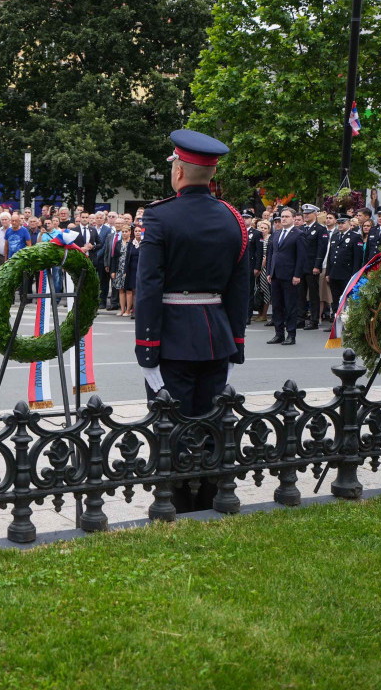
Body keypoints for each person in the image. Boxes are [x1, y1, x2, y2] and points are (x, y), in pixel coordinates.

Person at [135, 129, 248, 512]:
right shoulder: (234, 219)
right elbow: (239, 287)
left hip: (173, 336)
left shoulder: (160, 216)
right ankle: (215, 493)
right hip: (217, 335)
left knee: (172, 423)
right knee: (212, 419)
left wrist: (146, 345)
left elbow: (149, 286)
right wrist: (237, 340)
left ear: (179, 173)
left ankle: (177, 498)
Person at [266, 207, 304, 345]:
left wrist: (297, 275)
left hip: (289, 275)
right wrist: (270, 271)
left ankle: (291, 335)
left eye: (287, 216)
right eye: (282, 216)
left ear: (294, 218)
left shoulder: (298, 234)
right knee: (276, 306)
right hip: (276, 274)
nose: (283, 219)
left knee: (290, 306)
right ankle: (279, 333)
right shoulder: (276, 234)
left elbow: (301, 257)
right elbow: (271, 254)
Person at [325, 215, 364, 309]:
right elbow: (331, 255)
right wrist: (328, 273)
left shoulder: (355, 237)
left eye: (343, 223)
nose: (340, 225)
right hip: (334, 274)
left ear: (349, 223)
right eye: (339, 223)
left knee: (347, 299)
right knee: (335, 299)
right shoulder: (335, 236)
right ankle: (335, 319)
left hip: (347, 274)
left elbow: (357, 258)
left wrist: (354, 275)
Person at [244, 209, 264, 325]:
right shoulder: (239, 231)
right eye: (244, 217)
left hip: (250, 265)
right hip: (240, 266)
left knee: (249, 291)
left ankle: (248, 315)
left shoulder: (256, 233)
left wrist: (257, 267)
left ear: (251, 220)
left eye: (247, 217)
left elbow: (259, 252)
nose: (245, 219)